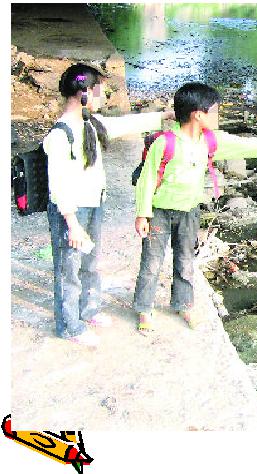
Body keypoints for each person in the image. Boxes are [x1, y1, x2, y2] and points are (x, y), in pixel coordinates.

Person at [133, 82, 257, 333]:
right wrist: (142, 214)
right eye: (214, 111)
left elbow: (248, 144)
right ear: (198, 114)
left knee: (185, 261)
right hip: (159, 211)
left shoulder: (211, 141)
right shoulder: (166, 143)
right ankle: (144, 309)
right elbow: (147, 180)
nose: (218, 115)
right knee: (151, 263)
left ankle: (184, 304)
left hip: (190, 211)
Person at [45, 63, 174, 346]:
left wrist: (163, 115)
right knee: (69, 268)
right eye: (99, 91)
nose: (102, 97)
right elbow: (58, 186)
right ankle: (70, 326)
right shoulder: (59, 135)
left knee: (90, 262)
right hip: (72, 211)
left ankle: (88, 310)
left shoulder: (90, 124)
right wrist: (72, 224)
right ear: (83, 94)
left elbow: (121, 125)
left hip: (94, 203)